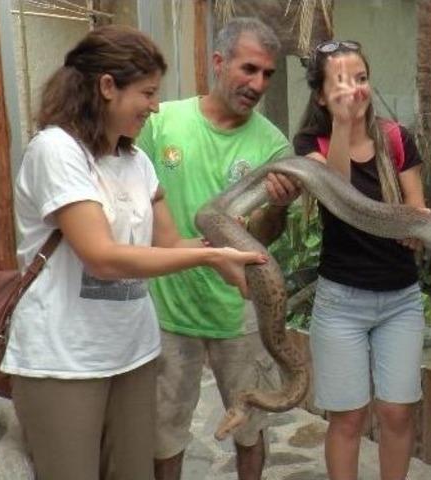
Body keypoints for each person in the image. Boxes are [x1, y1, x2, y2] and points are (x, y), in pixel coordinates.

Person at [1, 25, 263, 480]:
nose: (155, 105)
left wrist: (226, 250)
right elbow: (102, 256)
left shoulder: (137, 162)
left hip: (133, 353)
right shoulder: (57, 151)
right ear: (107, 87)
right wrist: (208, 258)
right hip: (64, 360)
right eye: (146, 93)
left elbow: (169, 243)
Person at [136, 17, 299, 480]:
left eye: (267, 74)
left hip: (239, 313)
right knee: (166, 434)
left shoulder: (273, 145)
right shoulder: (162, 122)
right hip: (169, 310)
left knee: (251, 430)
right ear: (218, 62)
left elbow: (264, 238)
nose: (258, 83)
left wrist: (279, 207)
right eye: (249, 69)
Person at [292, 39, 427, 480]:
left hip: (401, 300)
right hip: (341, 303)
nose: (355, 90)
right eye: (342, 83)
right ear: (320, 95)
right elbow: (339, 198)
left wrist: (415, 228)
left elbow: (415, 210)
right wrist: (343, 124)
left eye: (361, 78)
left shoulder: (396, 137)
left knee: (396, 413)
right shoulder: (311, 141)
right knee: (347, 418)